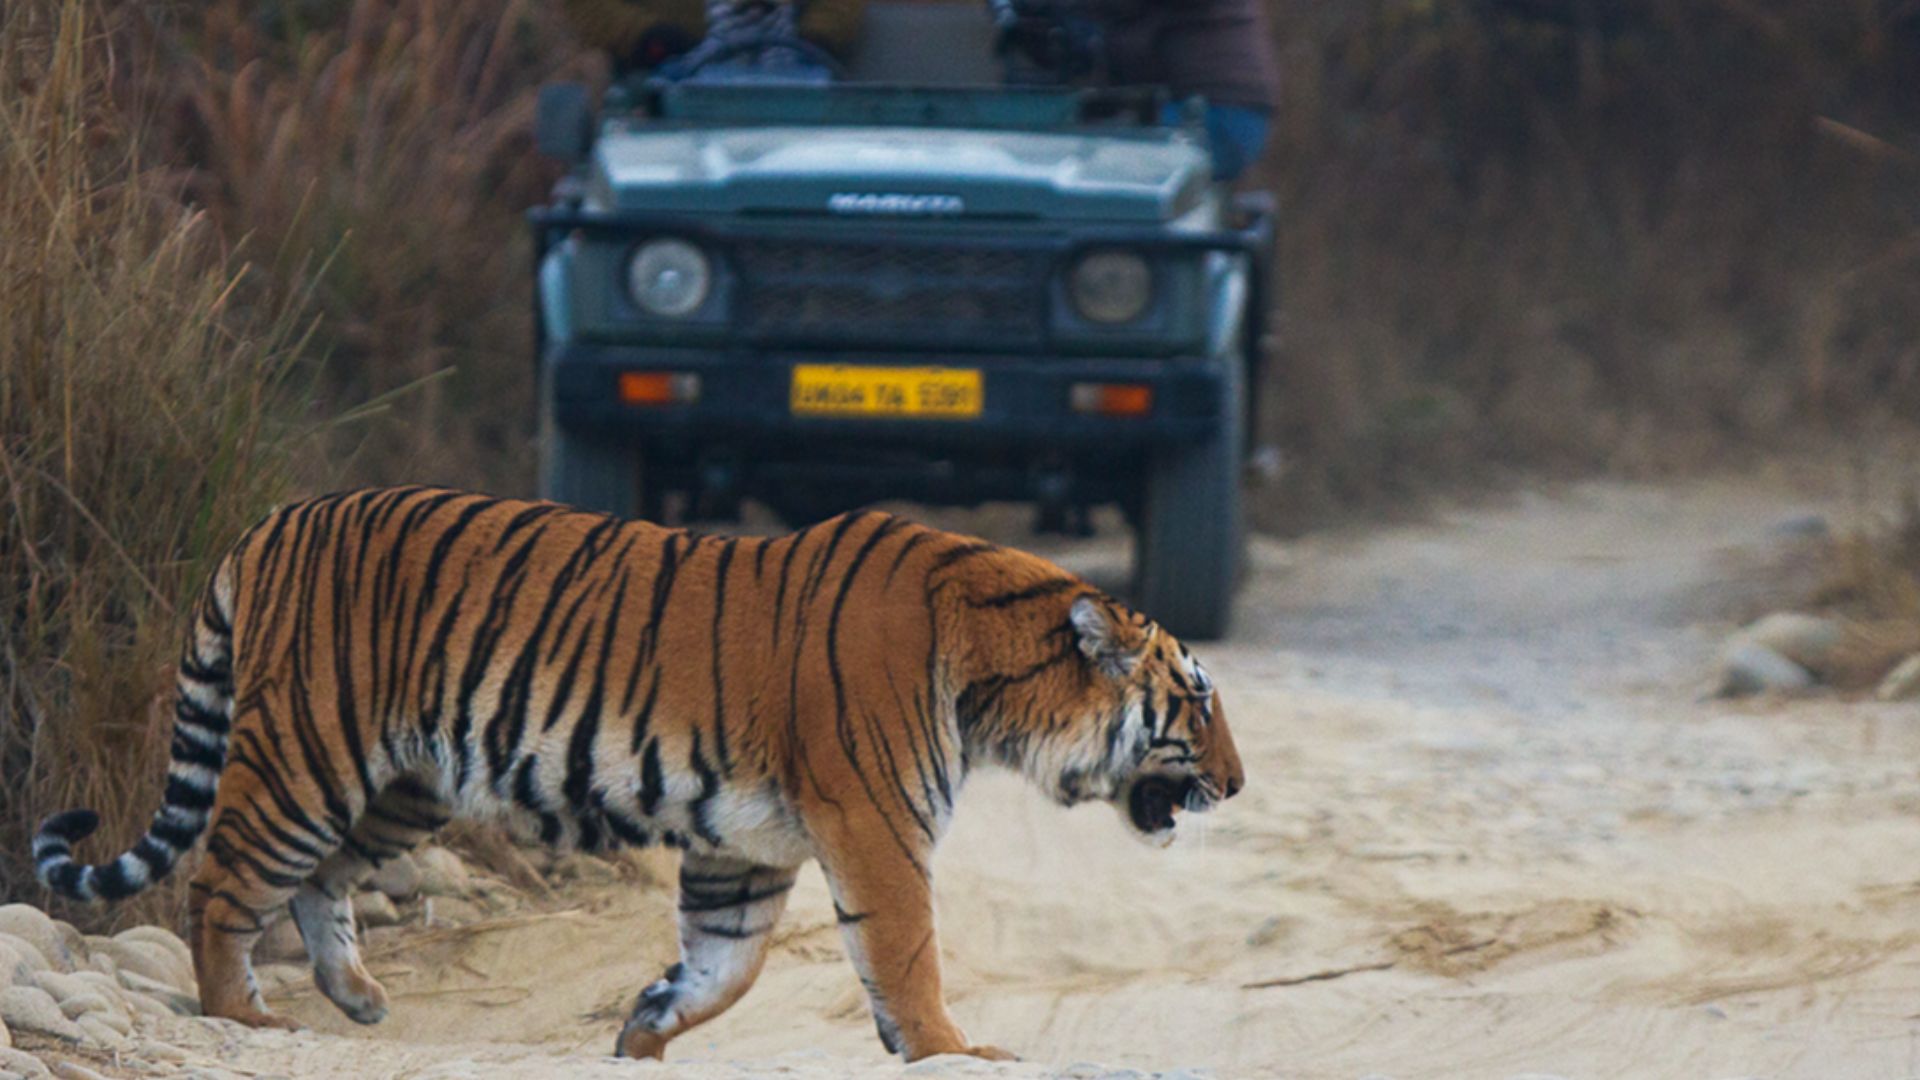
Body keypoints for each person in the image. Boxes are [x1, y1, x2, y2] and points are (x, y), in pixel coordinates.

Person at [562, 0, 866, 79]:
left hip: (794, 82)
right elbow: (589, 9)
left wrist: (816, 37)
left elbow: (839, 8)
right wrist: (648, 37)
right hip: (667, 87)